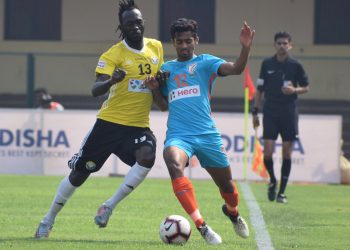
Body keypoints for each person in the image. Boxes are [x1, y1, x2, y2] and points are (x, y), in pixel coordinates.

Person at [34, 0, 166, 239]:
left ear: (143, 23)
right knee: (79, 175)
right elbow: (95, 90)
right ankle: (47, 220)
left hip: (137, 125)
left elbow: (159, 83)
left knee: (147, 157)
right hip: (109, 125)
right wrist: (112, 80)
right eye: (129, 24)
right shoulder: (113, 54)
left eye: (138, 22)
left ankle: (109, 206)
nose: (135, 27)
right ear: (122, 27)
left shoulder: (156, 47)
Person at [144, 18, 255, 245]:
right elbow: (163, 105)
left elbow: (236, 69)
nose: (184, 46)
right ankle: (202, 226)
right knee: (172, 162)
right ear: (173, 43)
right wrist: (155, 89)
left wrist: (245, 47)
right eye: (179, 42)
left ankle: (232, 212)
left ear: (196, 40)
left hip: (206, 134)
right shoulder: (166, 69)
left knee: (228, 187)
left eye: (188, 41)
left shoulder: (206, 62)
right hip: (179, 135)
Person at [252, 31, 310, 204]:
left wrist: (295, 90)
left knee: (287, 152)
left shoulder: (295, 65)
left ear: (290, 45)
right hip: (270, 110)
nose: (282, 46)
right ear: (274, 45)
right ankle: (272, 180)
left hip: (289, 112)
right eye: (279, 43)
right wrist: (255, 110)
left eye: (285, 43)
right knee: (268, 152)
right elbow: (260, 88)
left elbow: (306, 87)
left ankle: (282, 192)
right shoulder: (267, 63)